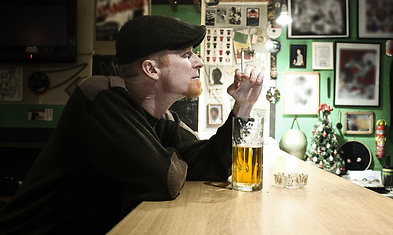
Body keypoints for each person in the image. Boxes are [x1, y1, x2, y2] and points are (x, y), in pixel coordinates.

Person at [0, 15, 263, 234]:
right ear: (151, 69)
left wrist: (243, 106)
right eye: (186, 54)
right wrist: (173, 158)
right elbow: (166, 179)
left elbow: (211, 165)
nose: (199, 62)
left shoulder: (163, 119)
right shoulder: (101, 95)